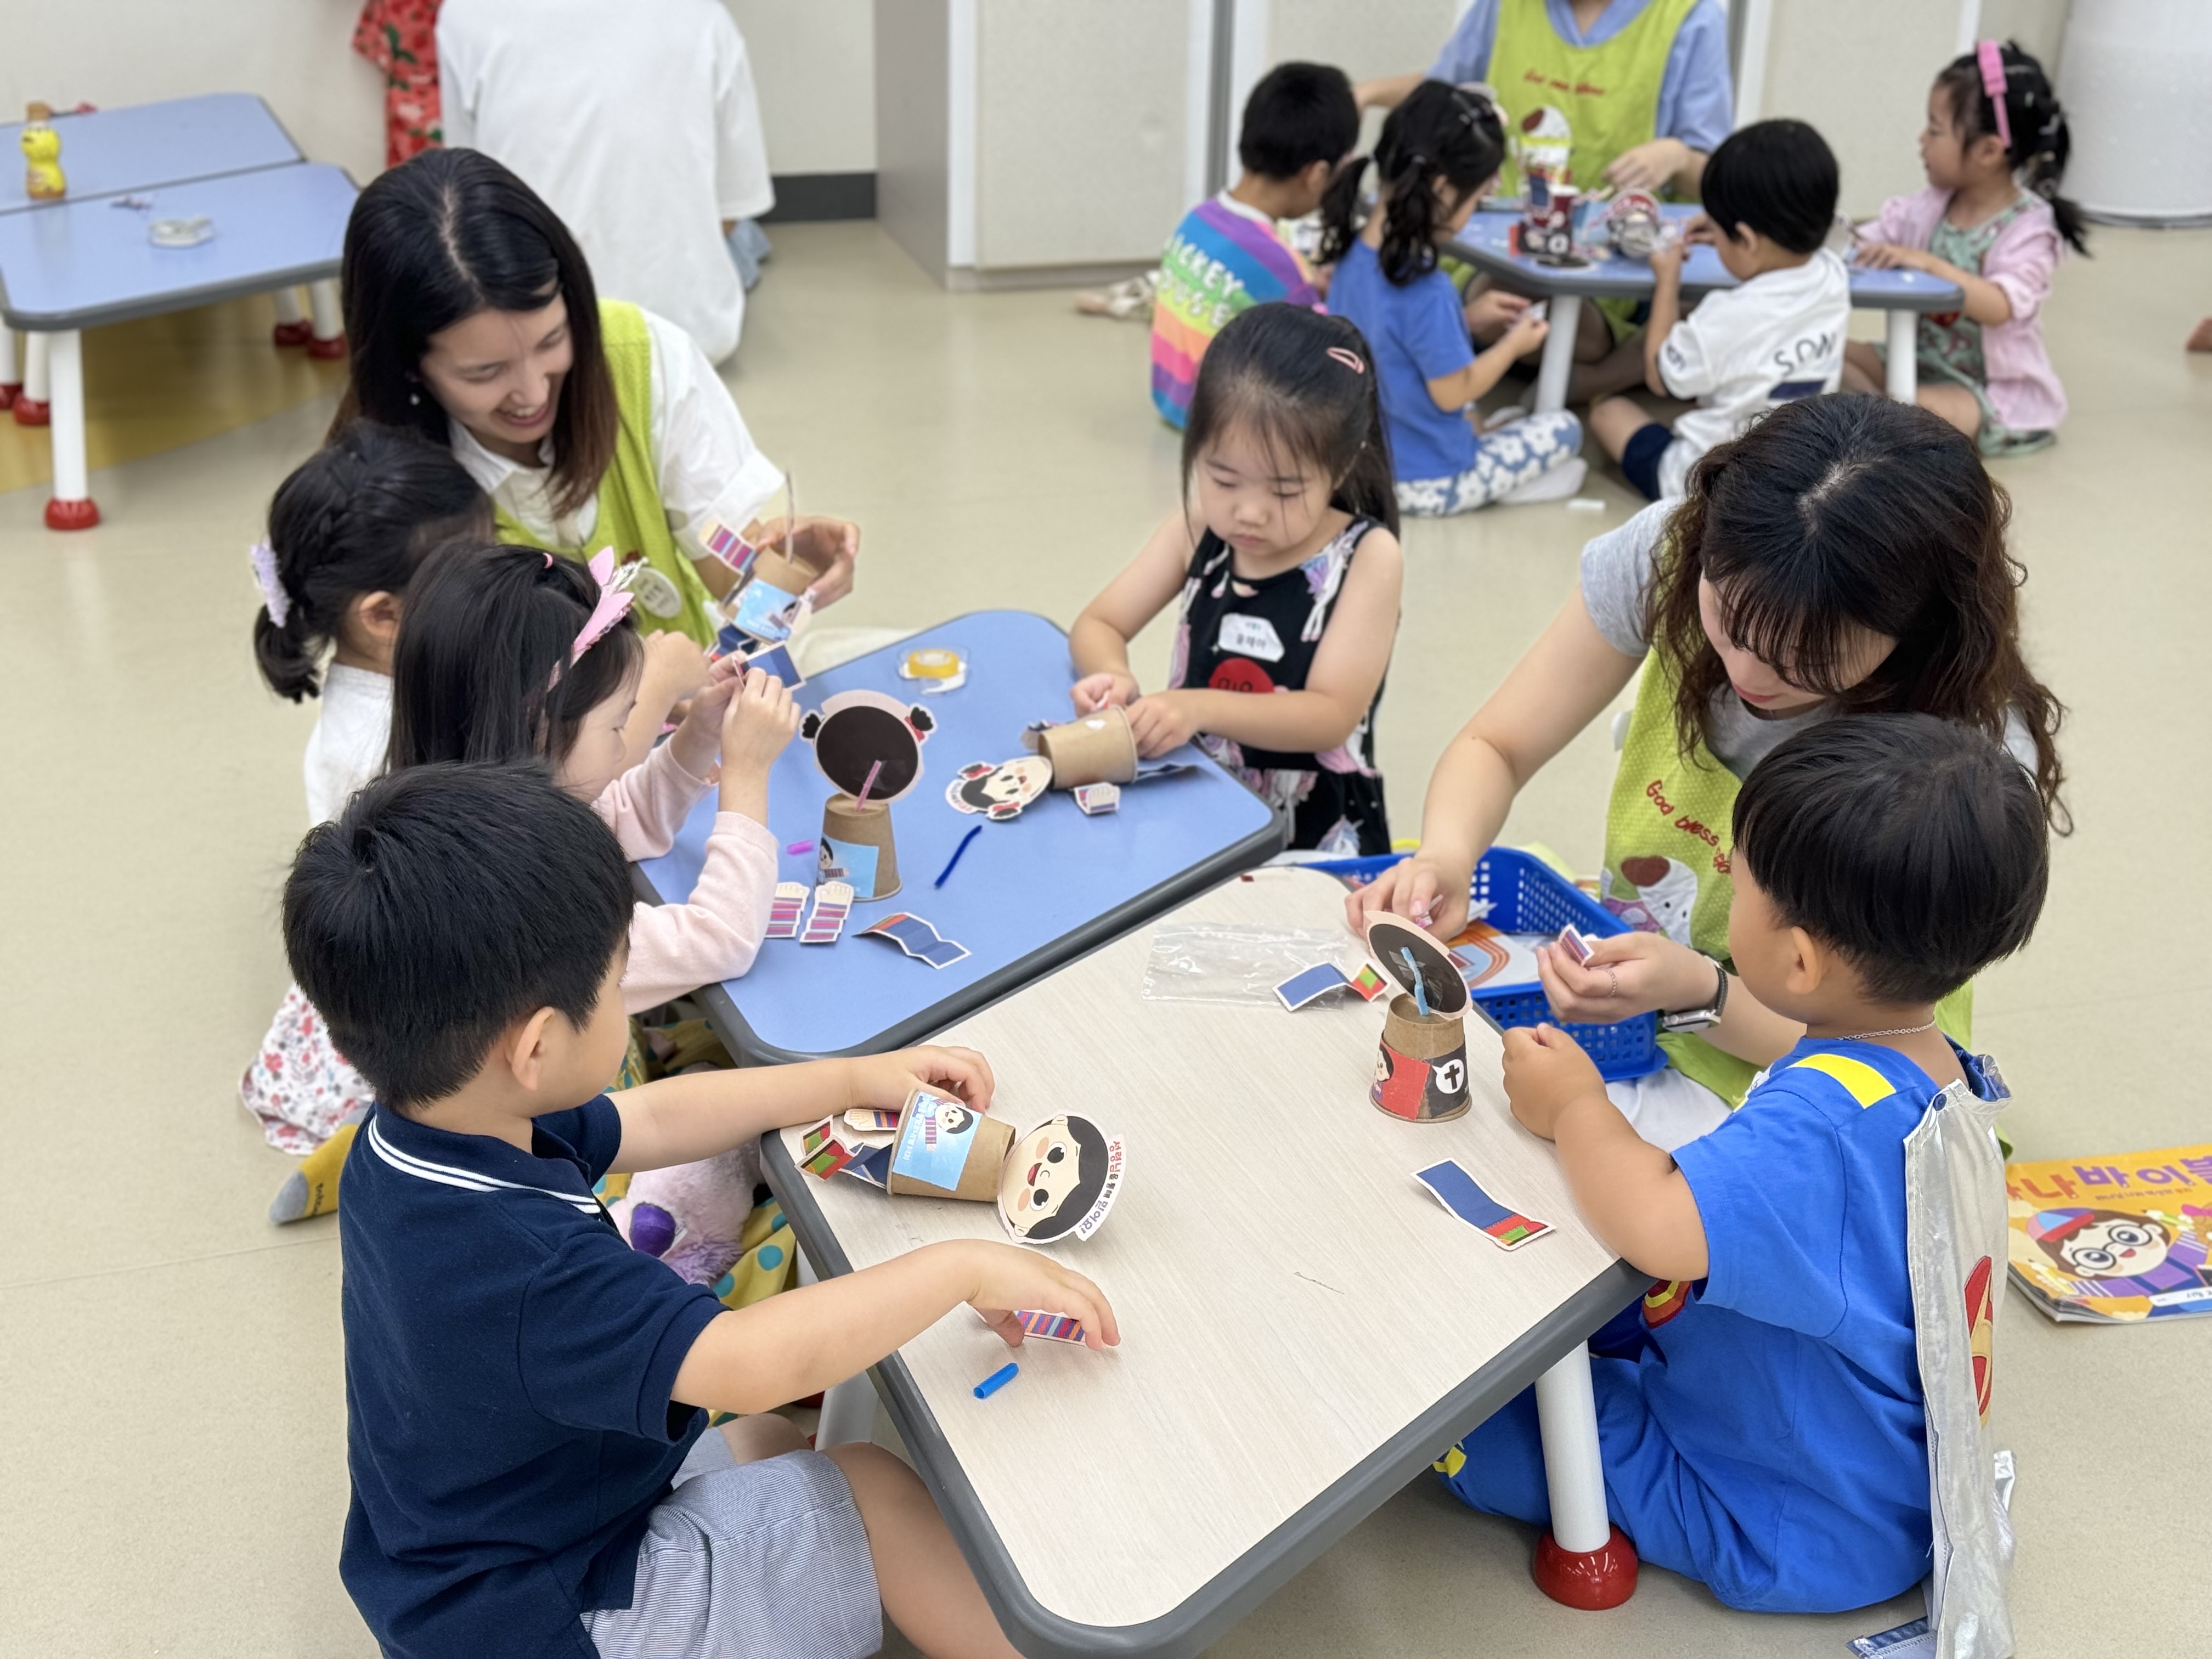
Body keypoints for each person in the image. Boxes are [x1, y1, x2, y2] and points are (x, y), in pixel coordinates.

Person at [285, 759, 1117, 1659]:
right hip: (556, 1617)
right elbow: (752, 1361)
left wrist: (849, 1079)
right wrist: (963, 1267)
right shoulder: (534, 1268)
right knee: (873, 1490)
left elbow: (652, 1118)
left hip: (482, 1557)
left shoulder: (422, 1129)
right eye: (619, 981)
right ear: (537, 1047)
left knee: (770, 1442)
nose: (626, 993)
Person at [1437, 713, 2046, 1612]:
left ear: (1797, 957)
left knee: (1469, 1426)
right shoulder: (1924, 1059)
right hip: (1862, 1475)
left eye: (1742, 885)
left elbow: (1659, 1225)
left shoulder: (1820, 1125)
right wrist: (1697, 982)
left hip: (1778, 1518)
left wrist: (1572, 1106)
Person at [1348, 394, 2064, 1148]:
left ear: (1912, 629)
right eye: (1727, 620)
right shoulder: (1673, 553)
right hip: (1650, 1000)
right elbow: (1498, 745)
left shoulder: (1959, 756)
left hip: (1821, 1069)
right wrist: (1447, 855)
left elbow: (1891, 1043)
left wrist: (1700, 990)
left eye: (1806, 658)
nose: (1747, 673)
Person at [268, 543, 793, 1226]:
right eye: (619, 724)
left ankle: (373, 1149)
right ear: (537, 727)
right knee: (727, 1153)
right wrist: (747, 777)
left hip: (475, 1085)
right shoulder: (522, 913)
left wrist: (696, 737)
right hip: (558, 1147)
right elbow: (721, 939)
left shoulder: (457, 810)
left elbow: (620, 815)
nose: (627, 744)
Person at [335, 148, 858, 653]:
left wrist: (792, 575)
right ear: (408, 366)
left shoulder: (642, 358)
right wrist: (651, 698)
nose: (533, 393)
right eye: (485, 372)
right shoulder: (378, 501)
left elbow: (741, 592)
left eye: (551, 341)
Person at [1070, 302, 1403, 856]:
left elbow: (1329, 715)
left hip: (1315, 827)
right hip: (1198, 797)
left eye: (1285, 491)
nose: (1249, 513)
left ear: (1341, 468)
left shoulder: (1366, 556)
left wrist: (1195, 707)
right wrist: (1112, 675)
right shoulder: (1199, 528)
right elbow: (1100, 622)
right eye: (1224, 480)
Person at [241, 422, 492, 1154]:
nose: (496, 579)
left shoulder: (402, 672)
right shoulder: (376, 741)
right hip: (424, 988)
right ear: (383, 615)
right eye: (473, 574)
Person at [1358, 0, 1736, 400]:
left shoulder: (1691, 17)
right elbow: (1440, 95)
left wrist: (1678, 157)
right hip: (1497, 260)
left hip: (1615, 273)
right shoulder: (1503, 8)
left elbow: (1712, 180)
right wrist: (1365, 94)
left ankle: (1596, 370)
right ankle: (1610, 367)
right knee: (1513, 301)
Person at [438, 0, 776, 363]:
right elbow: (731, 213)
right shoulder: (707, 17)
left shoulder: (464, 14)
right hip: (689, 336)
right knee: (741, 241)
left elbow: (467, 198)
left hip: (532, 337)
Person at [1320, 83, 1582, 514]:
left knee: (1508, 419)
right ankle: (1503, 487)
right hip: (1430, 480)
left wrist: (1466, 319)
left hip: (1363, 467)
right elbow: (1454, 393)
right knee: (1565, 428)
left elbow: (1389, 336)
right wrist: (1513, 345)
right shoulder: (1426, 286)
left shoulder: (1352, 254)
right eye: (1476, 200)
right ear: (1442, 189)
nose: (1472, 211)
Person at [1841, 41, 2085, 455]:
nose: (1921, 139)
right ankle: (1880, 416)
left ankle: (1882, 418)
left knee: (1907, 410)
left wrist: (1929, 264)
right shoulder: (1930, 205)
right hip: (1915, 360)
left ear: (1988, 150)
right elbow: (1868, 240)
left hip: (1985, 390)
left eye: (1935, 130)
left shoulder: (2029, 227)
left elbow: (2000, 305)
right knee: (1826, 352)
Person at [1590, 119, 1848, 501]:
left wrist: (1667, 282)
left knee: (1608, 412)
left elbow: (1660, 375)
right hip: (1801, 477)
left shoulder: (1727, 314)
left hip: (1710, 488)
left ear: (1746, 239)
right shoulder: (1833, 274)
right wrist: (1729, 233)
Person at [1149, 62, 1358, 429]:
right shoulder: (1280, 264)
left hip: (1169, 397)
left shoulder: (1199, 218)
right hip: (1218, 424)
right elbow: (1325, 357)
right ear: (1317, 175)